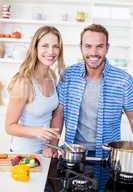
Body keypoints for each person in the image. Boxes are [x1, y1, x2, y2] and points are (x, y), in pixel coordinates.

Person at [53, 23, 133, 158]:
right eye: (88, 46)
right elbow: (59, 114)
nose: (93, 53)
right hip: (72, 154)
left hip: (108, 157)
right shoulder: (67, 75)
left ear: (107, 48)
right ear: (81, 47)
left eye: (99, 46)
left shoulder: (124, 80)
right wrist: (54, 146)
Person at [5, 25, 64, 154]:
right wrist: (36, 131)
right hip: (24, 154)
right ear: (35, 47)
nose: (51, 51)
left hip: (45, 152)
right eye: (45, 46)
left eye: (55, 46)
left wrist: (52, 146)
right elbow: (9, 127)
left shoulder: (52, 77)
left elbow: (54, 114)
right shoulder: (24, 82)